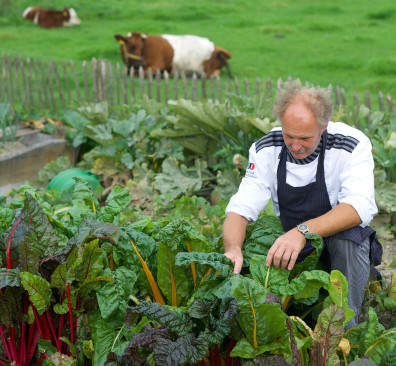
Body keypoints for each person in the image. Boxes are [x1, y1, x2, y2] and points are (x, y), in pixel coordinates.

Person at [223, 80, 382, 329]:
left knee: (349, 239)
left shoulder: (351, 144)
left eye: (305, 138)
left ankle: (345, 331)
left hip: (334, 241)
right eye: (289, 135)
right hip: (293, 244)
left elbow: (358, 206)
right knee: (253, 247)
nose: (295, 146)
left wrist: (302, 231)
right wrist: (233, 248)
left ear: (323, 127)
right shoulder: (266, 148)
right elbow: (241, 208)